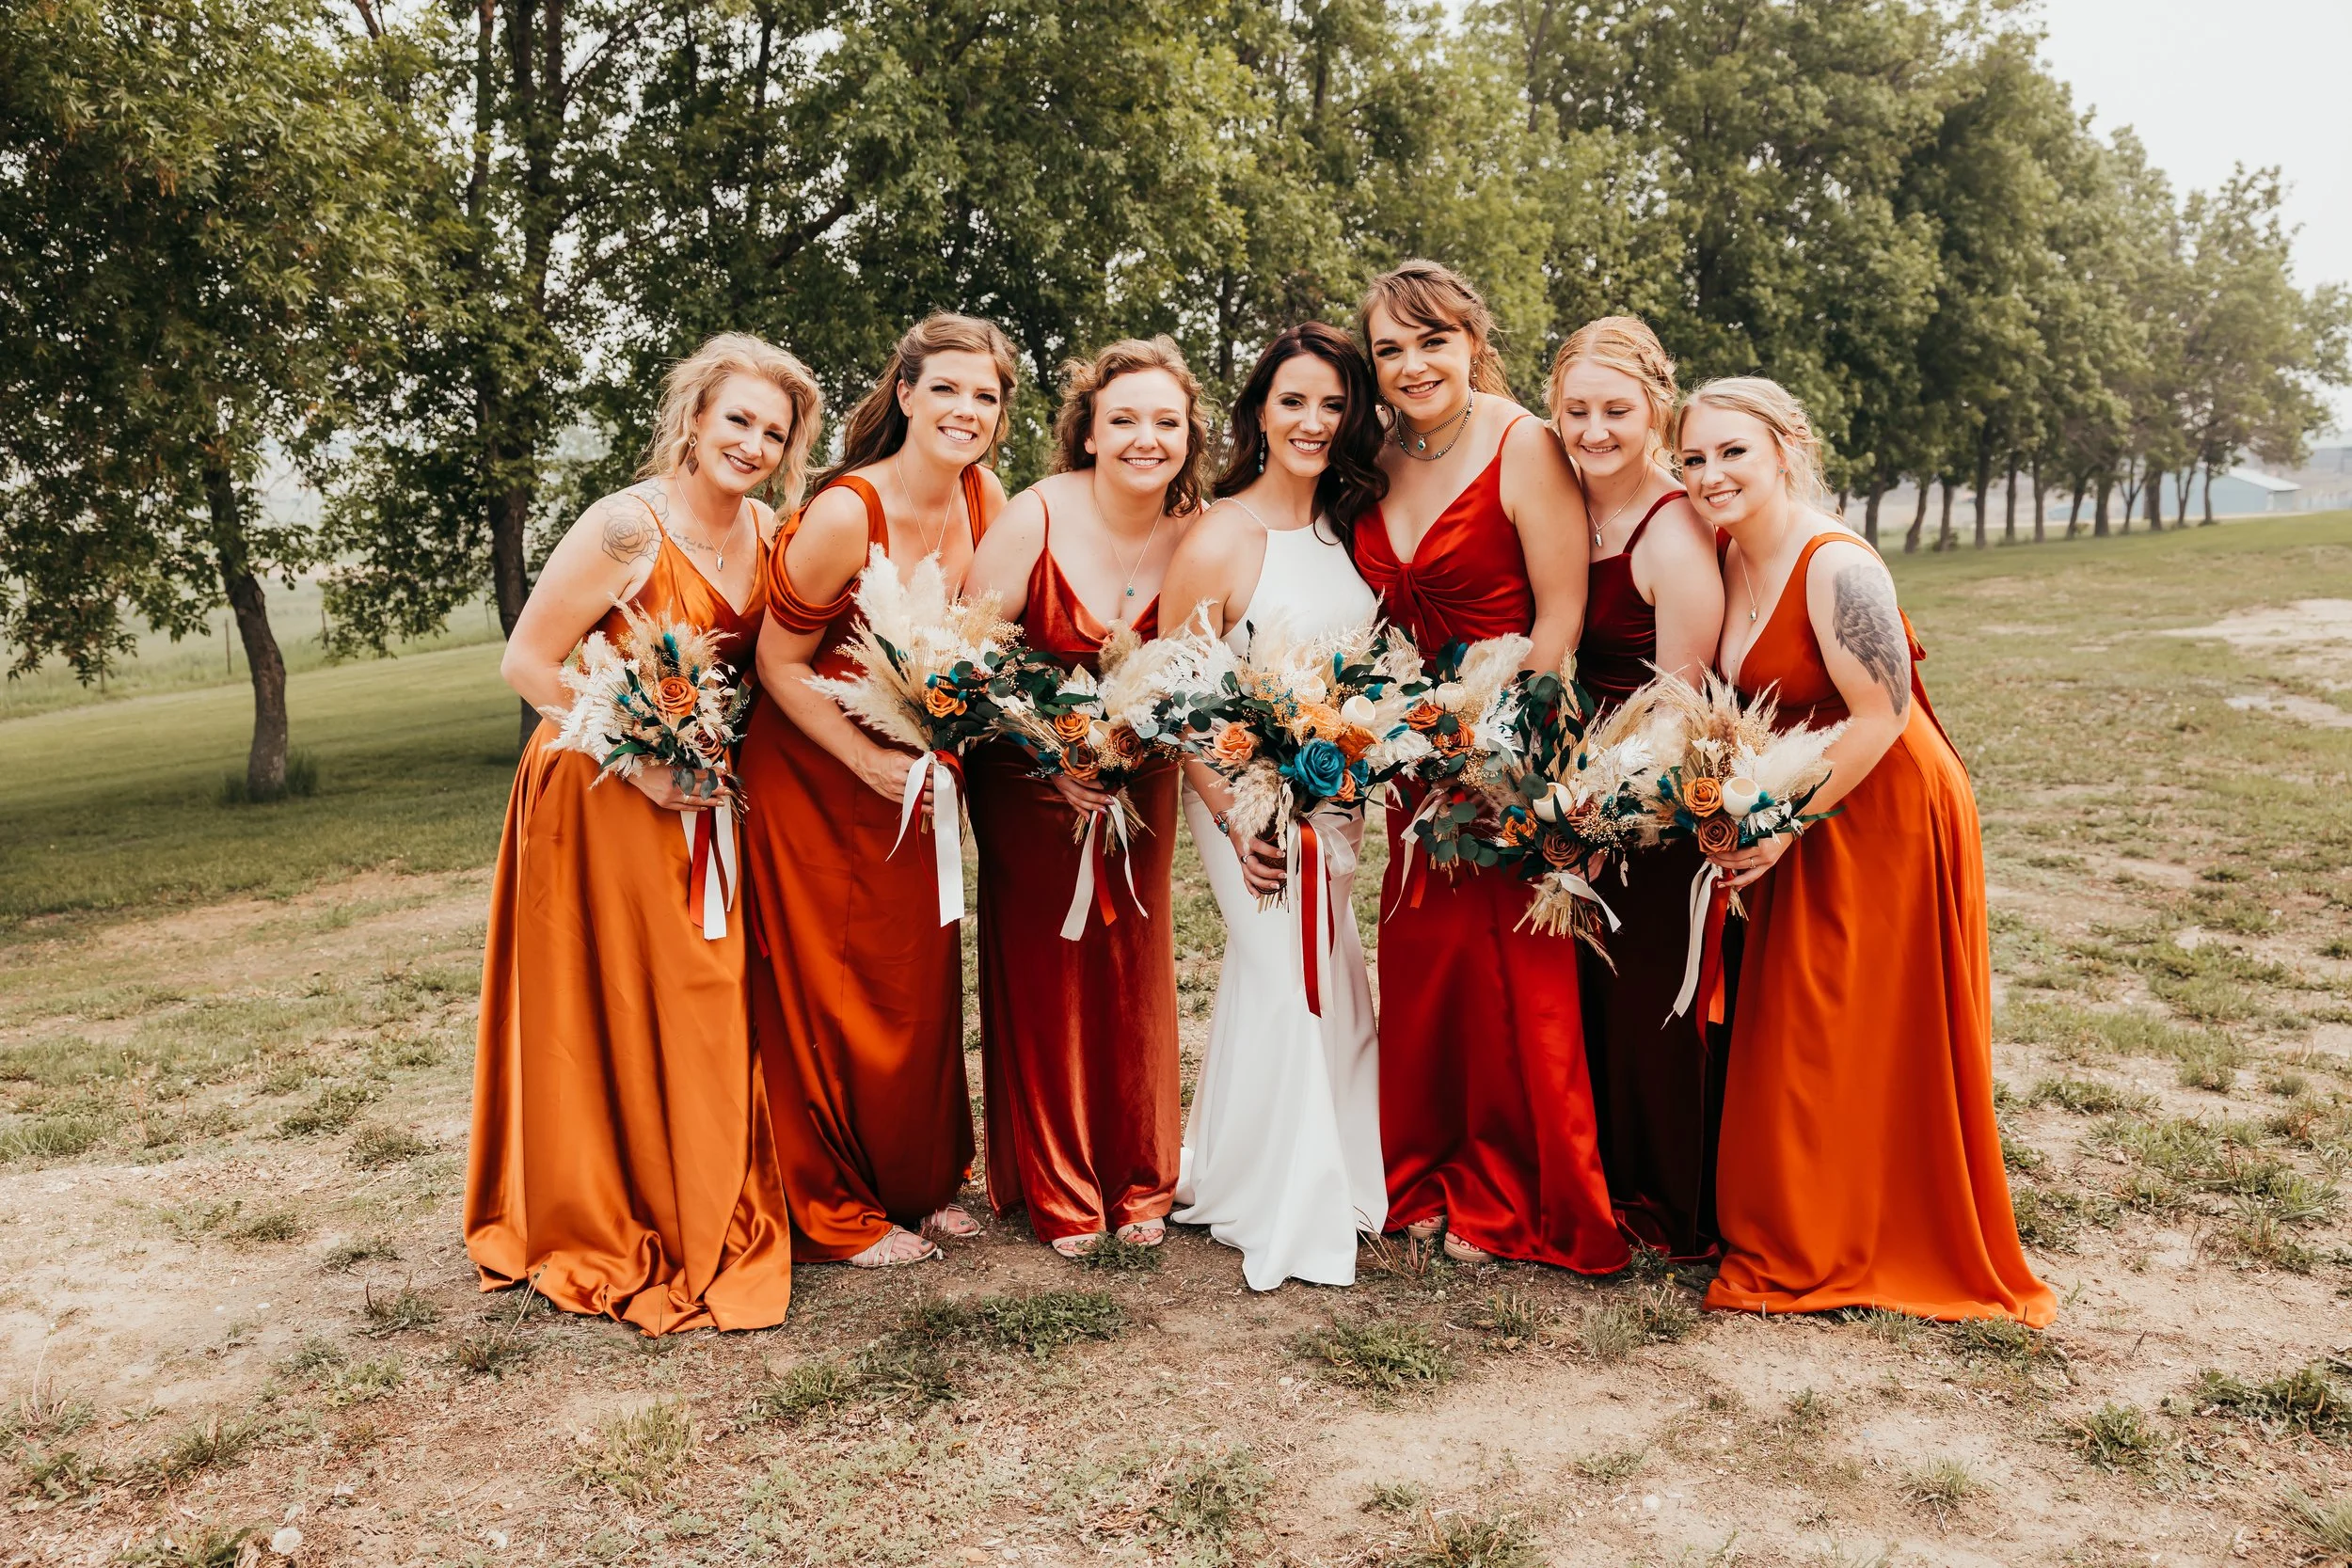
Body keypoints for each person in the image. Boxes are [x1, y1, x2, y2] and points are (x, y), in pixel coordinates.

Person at [1677, 376, 2053, 1324]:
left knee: (1850, 1014)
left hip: (1884, 801)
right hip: (1800, 789)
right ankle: (1808, 1214)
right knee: (1804, 1018)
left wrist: (1777, 823)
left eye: (1732, 452)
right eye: (1694, 457)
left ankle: (1863, 1229)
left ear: (1785, 451)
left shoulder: (1837, 565)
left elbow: (1883, 711)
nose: (1711, 473)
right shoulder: (1723, 554)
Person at [467, 332, 817, 1333]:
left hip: (702, 796)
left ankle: (700, 1193)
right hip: (599, 793)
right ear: (694, 418)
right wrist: (641, 755)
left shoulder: (770, 531)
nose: (751, 442)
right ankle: (620, 1206)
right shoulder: (627, 526)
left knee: (703, 991)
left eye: (772, 430)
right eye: (737, 418)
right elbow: (529, 664)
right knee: (618, 999)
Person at [1348, 261, 1629, 1273]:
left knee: (1514, 974)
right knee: (1425, 966)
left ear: (1472, 338)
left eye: (1432, 340)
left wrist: (1502, 744)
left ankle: (1512, 1191)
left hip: (1514, 744)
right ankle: (1422, 1170)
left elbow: (1561, 613)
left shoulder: (1524, 444)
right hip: (1415, 748)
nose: (1412, 363)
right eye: (1390, 348)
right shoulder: (1376, 455)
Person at [740, 313, 1014, 1269]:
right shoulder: (846, 510)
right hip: (815, 770)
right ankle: (838, 1201)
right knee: (832, 987)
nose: (965, 409)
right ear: (904, 394)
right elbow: (778, 663)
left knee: (917, 979)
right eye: (946, 388)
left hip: (916, 770)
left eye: (984, 395)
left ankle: (919, 1179)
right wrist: (865, 762)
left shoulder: (985, 496)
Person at [1158, 322, 1391, 1290]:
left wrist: (1351, 774)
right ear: (1258, 408)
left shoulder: (1353, 527)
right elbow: (1174, 691)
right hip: (1244, 805)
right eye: (1292, 400)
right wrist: (1234, 812)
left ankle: (1287, 1165)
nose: (1311, 420)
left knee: (1330, 976)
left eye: (1332, 404)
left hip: (1333, 797)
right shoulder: (1223, 530)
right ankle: (1284, 1203)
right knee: (1284, 977)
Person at [962, 337, 1198, 1259]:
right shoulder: (1035, 515)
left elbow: (1204, 667)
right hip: (1027, 779)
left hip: (1144, 774)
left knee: (1132, 959)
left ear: (1188, 435)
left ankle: (1141, 1174)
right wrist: (1048, 749)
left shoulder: (1196, 529)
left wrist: (1137, 741)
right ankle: (1061, 1186)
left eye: (1166, 422)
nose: (1147, 437)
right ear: (1088, 432)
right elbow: (971, 662)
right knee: (1048, 969)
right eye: (1125, 419)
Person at [1550, 316, 1729, 1260]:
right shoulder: (1561, 503)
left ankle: (1669, 1197)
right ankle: (1599, 1177)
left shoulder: (1671, 531)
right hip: (1561, 782)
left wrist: (1596, 799)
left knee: (1646, 998)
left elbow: (1680, 701)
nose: (1593, 429)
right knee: (1580, 997)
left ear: (1653, 408)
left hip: (1647, 802)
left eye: (1614, 409)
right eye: (1575, 409)